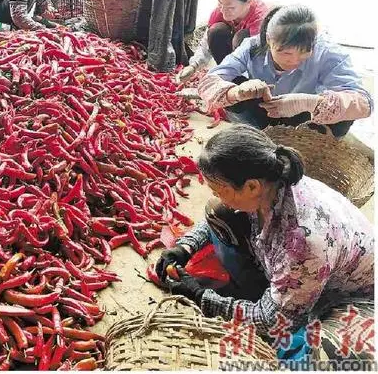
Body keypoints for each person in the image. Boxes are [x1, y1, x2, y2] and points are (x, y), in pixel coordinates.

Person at [156, 125, 374, 363]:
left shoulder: (302, 243)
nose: (219, 196)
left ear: (252, 186)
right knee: (218, 213)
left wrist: (202, 297)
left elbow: (272, 320)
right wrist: (185, 247)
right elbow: (218, 216)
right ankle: (272, 294)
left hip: (352, 296)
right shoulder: (272, 184)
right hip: (304, 278)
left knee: (331, 356)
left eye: (221, 190)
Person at [197, 4, 372, 137]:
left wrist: (307, 102)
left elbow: (365, 104)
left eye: (304, 53)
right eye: (285, 52)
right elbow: (209, 82)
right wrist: (238, 93)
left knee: (343, 112)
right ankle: (257, 132)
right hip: (261, 113)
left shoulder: (328, 53)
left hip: (304, 121)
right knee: (234, 82)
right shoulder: (252, 46)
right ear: (269, 40)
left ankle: (310, 144)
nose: (294, 60)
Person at [178, 0, 268, 83]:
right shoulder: (220, 10)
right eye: (220, 3)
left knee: (241, 37)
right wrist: (193, 66)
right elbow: (206, 44)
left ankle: (241, 81)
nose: (223, 11)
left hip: (255, 61)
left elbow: (262, 58)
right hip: (233, 55)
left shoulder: (260, 18)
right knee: (215, 31)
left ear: (248, 2)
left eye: (231, 8)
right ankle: (229, 77)